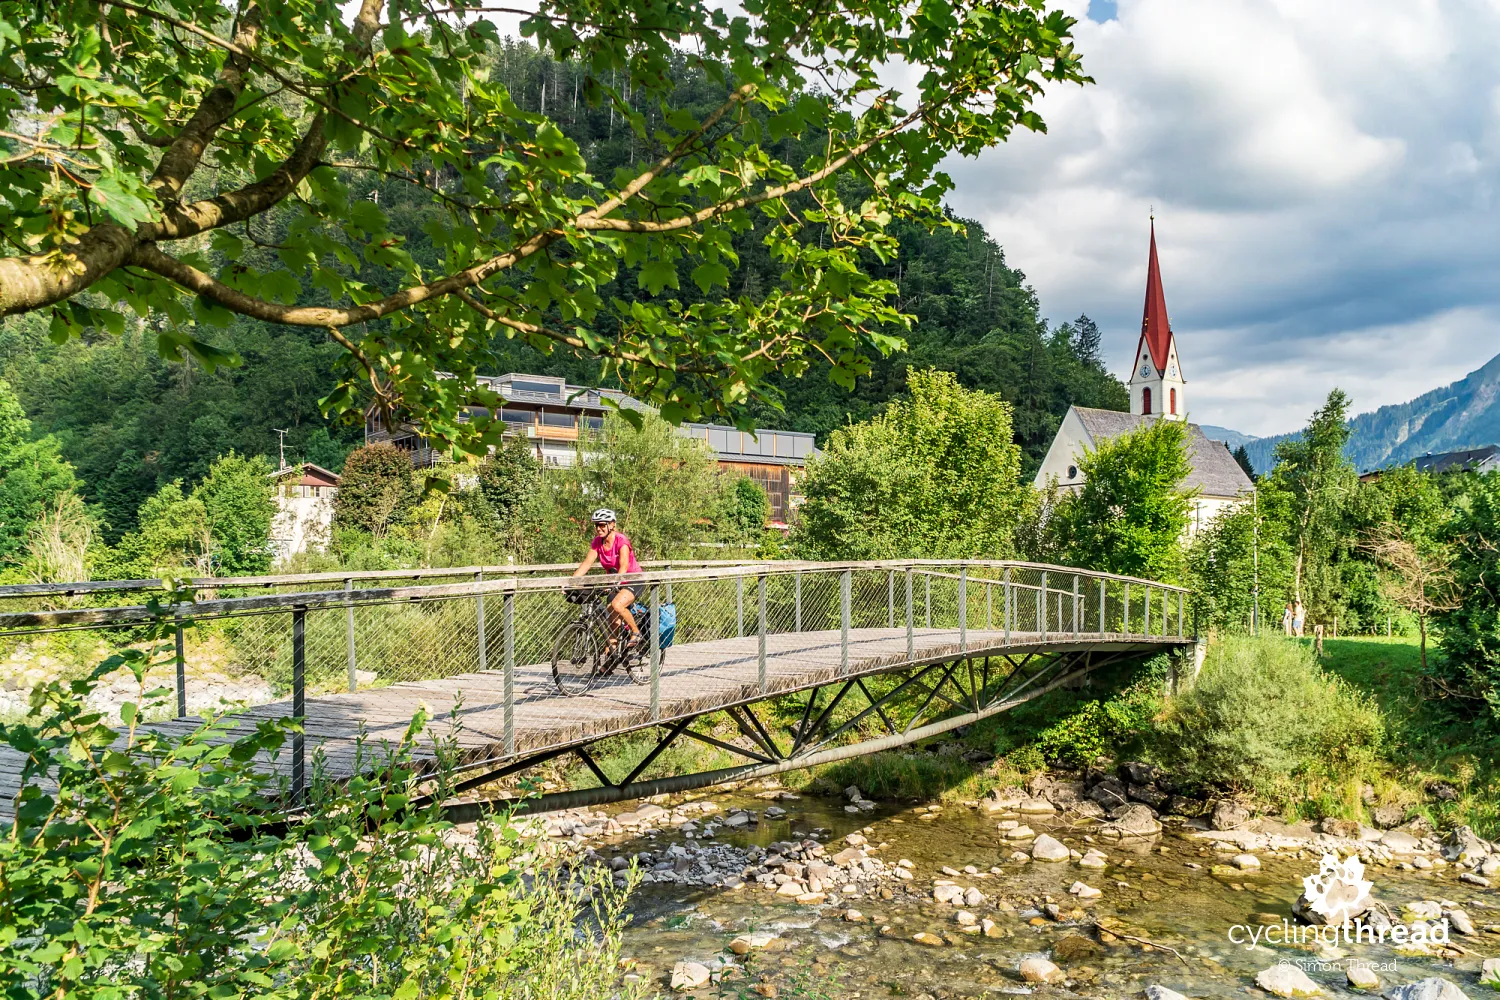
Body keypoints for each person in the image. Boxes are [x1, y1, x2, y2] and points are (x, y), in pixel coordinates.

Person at [572, 508, 643, 649]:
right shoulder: (597, 542)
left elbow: (623, 566)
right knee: (612, 620)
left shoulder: (621, 540)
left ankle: (636, 632)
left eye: (602, 525)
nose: (598, 529)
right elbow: (586, 564)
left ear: (612, 525)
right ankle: (611, 655)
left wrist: (615, 582)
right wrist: (571, 582)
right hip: (614, 583)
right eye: (596, 525)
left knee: (617, 605)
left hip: (633, 579)